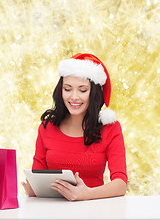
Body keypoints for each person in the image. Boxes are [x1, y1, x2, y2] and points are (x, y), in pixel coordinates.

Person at [22, 53, 128, 201]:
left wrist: (85, 195)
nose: (74, 97)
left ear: (94, 93)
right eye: (67, 89)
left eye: (83, 90)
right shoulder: (47, 128)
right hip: (52, 211)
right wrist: (34, 190)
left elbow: (120, 184)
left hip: (93, 210)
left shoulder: (110, 128)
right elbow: (38, 175)